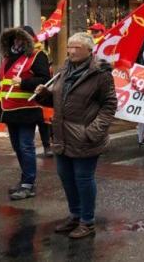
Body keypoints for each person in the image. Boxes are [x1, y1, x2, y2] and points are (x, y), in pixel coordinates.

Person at [35, 32, 116, 239]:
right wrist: (45, 95)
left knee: (83, 178)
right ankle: (75, 215)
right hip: (62, 135)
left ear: (89, 50)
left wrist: (94, 130)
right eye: (69, 46)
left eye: (76, 47)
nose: (71, 50)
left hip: (85, 136)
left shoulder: (100, 74)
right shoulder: (64, 70)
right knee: (66, 177)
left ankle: (87, 222)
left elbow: (109, 104)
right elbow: (58, 101)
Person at [0, 27, 50, 200]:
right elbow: (0, 83)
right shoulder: (7, 58)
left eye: (20, 39)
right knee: (17, 146)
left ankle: (29, 184)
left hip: (27, 108)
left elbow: (45, 80)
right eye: (14, 39)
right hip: (9, 110)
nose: (16, 42)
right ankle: (25, 180)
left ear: (27, 40)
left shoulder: (37, 56)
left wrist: (24, 82)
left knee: (26, 145)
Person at [22, 25, 54, 158]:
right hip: (24, 95)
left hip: (40, 93)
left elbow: (45, 76)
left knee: (43, 121)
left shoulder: (39, 53)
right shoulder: (19, 53)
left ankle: (47, 145)